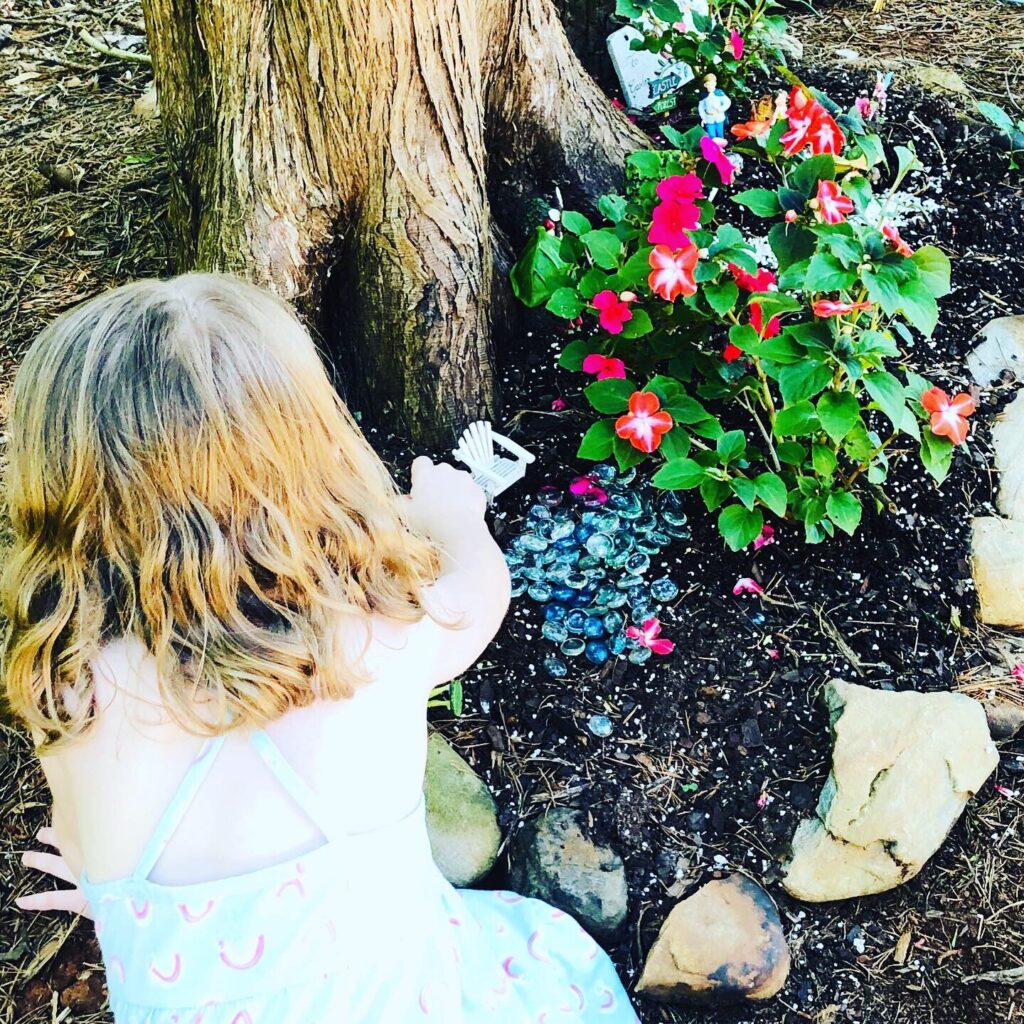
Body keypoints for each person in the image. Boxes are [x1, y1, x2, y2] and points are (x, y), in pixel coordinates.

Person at [8, 274, 639, 1023]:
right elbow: (479, 597)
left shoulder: (67, 686)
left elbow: (81, 842)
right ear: (311, 449)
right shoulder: (377, 636)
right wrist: (454, 513)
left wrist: (120, 900)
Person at [698, 73, 731, 140]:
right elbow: (701, 107)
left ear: (715, 84)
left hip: (719, 117)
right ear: (705, 85)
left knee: (720, 134)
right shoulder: (704, 96)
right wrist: (703, 117)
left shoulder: (719, 93)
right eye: (708, 84)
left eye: (712, 84)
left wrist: (721, 109)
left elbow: (727, 102)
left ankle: (721, 148)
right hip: (709, 118)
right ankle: (713, 148)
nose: (710, 86)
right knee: (711, 135)